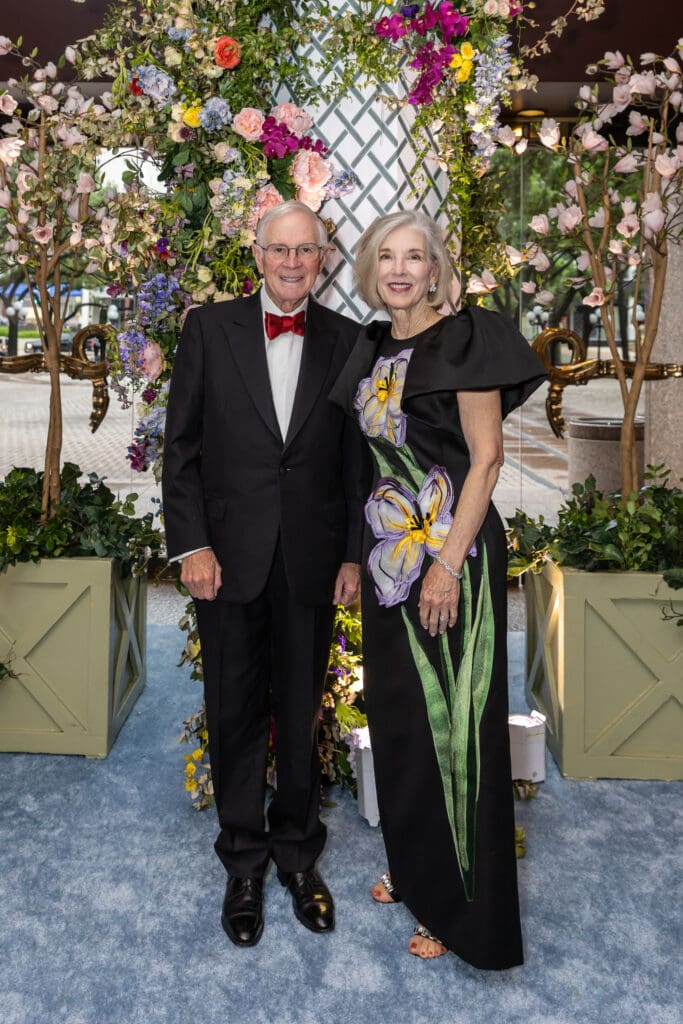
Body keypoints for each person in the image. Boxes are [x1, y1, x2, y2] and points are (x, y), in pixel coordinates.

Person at [329, 210, 547, 969]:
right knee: (399, 722)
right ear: (369, 268)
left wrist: (448, 565)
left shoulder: (463, 339)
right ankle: (421, 870)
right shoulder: (368, 343)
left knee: (456, 735)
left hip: (454, 559)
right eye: (385, 256)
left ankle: (463, 911)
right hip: (394, 558)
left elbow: (484, 462)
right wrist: (358, 559)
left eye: (413, 257)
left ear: (434, 270)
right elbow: (365, 465)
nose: (398, 269)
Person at [162, 199, 368, 948]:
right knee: (234, 708)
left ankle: (296, 854)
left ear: (323, 259)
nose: (290, 262)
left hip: (312, 560)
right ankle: (243, 861)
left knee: (302, 707)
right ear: (256, 256)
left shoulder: (349, 342)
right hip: (226, 559)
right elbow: (179, 448)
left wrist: (351, 552)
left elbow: (355, 463)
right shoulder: (207, 330)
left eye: (304, 251)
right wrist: (193, 546)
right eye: (277, 249)